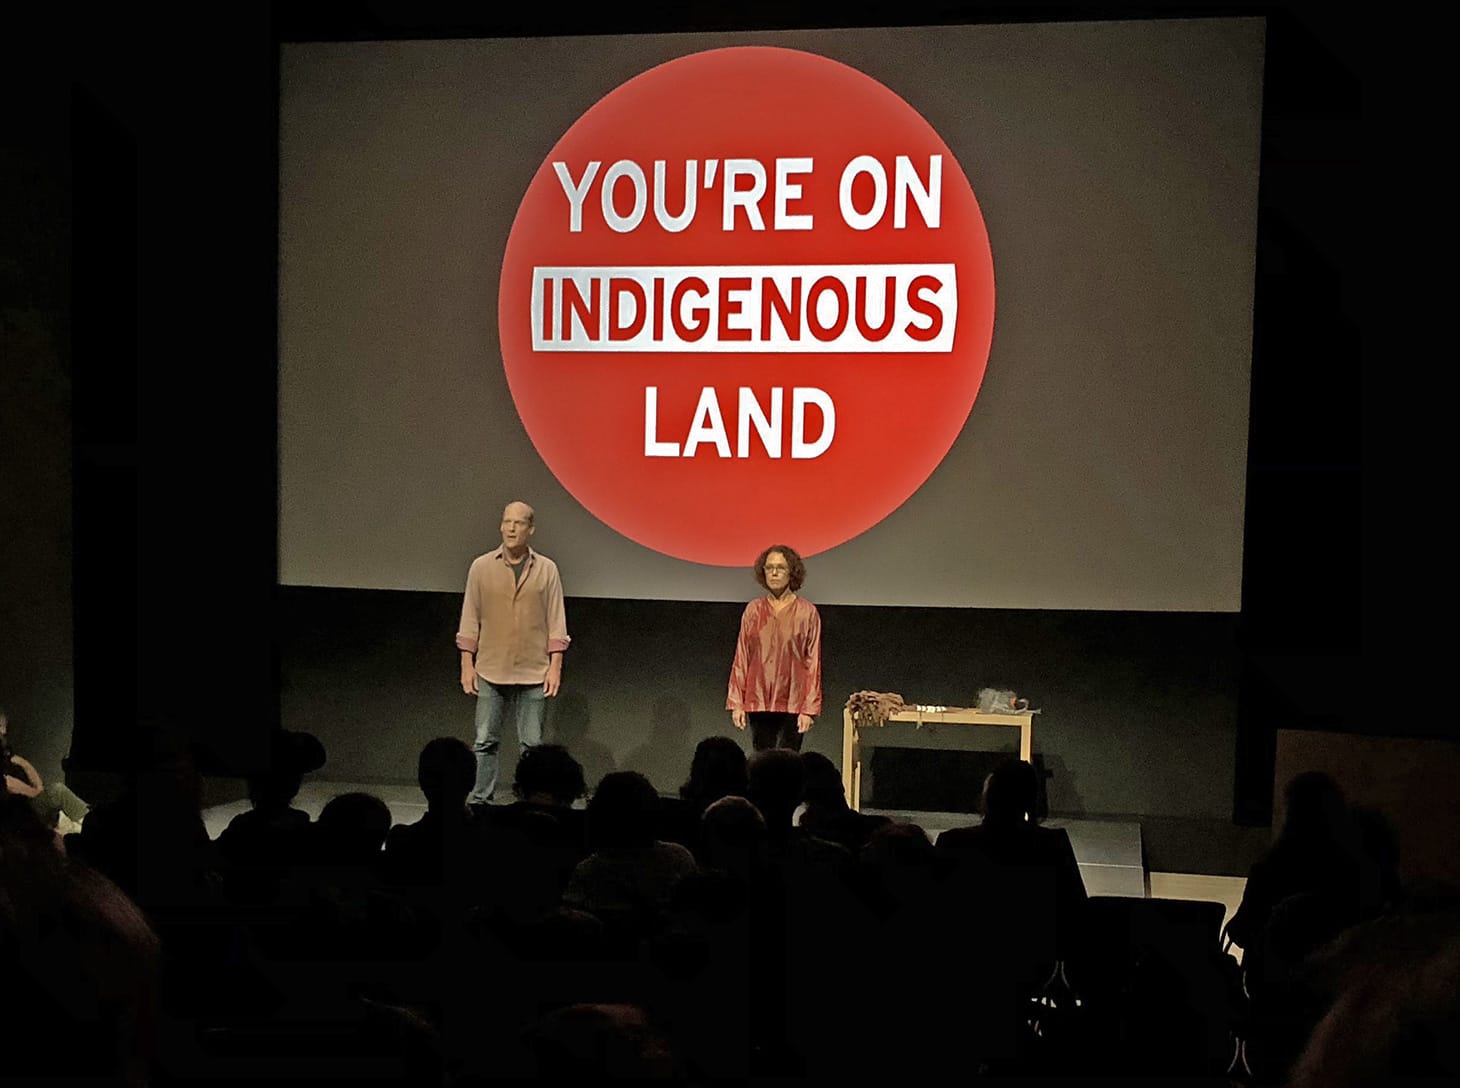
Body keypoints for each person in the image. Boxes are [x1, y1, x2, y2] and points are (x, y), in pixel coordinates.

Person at [456, 500, 570, 805]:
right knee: (484, 741)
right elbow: (470, 616)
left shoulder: (546, 569)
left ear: (530, 529)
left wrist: (555, 665)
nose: (511, 528)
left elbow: (556, 619)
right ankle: (481, 801)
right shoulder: (481, 567)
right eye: (507, 522)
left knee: (532, 746)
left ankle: (532, 802)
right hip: (491, 667)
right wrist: (467, 663)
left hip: (534, 670)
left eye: (518, 523)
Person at [726, 545, 822, 752]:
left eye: (780, 568)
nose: (774, 573)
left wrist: (809, 709)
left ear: (791, 572)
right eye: (769, 568)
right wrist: (737, 703)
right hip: (759, 700)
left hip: (793, 702)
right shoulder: (753, 610)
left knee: (788, 761)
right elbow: (742, 657)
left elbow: (812, 662)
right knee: (762, 760)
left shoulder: (807, 612)